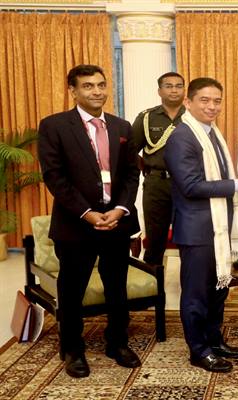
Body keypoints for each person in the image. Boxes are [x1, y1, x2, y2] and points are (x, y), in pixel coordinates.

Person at [37, 64, 142, 378]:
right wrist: (87, 213)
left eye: (100, 85)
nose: (97, 91)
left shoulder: (122, 127)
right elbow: (54, 177)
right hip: (75, 225)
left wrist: (120, 209)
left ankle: (117, 343)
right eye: (88, 86)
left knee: (116, 287)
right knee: (72, 290)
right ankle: (73, 349)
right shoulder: (54, 125)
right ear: (73, 90)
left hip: (116, 222)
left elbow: (131, 174)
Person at [163, 77, 238, 373]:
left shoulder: (212, 133)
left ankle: (214, 341)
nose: (212, 106)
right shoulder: (182, 137)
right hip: (197, 231)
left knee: (218, 291)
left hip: (220, 227)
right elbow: (191, 186)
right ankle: (199, 351)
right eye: (205, 100)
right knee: (197, 294)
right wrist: (237, 184)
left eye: (217, 101)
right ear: (188, 102)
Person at [132, 72, 186, 266]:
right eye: (168, 86)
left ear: (184, 90)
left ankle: (191, 284)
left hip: (187, 184)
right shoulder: (147, 118)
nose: (174, 90)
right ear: (159, 91)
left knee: (189, 239)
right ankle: (155, 284)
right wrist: (145, 166)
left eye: (179, 86)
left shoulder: (194, 116)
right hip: (156, 184)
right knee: (155, 241)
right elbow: (129, 150)